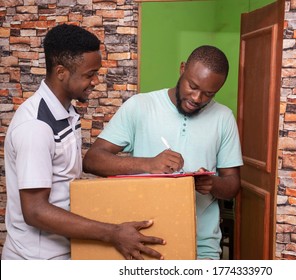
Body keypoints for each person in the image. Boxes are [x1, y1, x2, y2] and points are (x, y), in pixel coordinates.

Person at [2, 23, 165, 260]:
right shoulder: (35, 127)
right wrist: (112, 233)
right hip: (36, 260)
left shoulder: (65, 112)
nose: (96, 81)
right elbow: (35, 211)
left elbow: (65, 186)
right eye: (90, 74)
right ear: (61, 72)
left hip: (63, 251)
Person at [83, 45, 243, 259]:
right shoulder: (140, 106)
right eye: (192, 86)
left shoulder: (224, 118)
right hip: (143, 242)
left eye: (208, 94)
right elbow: (92, 160)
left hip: (202, 247)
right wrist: (148, 164)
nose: (196, 98)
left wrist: (212, 183)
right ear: (182, 68)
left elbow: (232, 185)